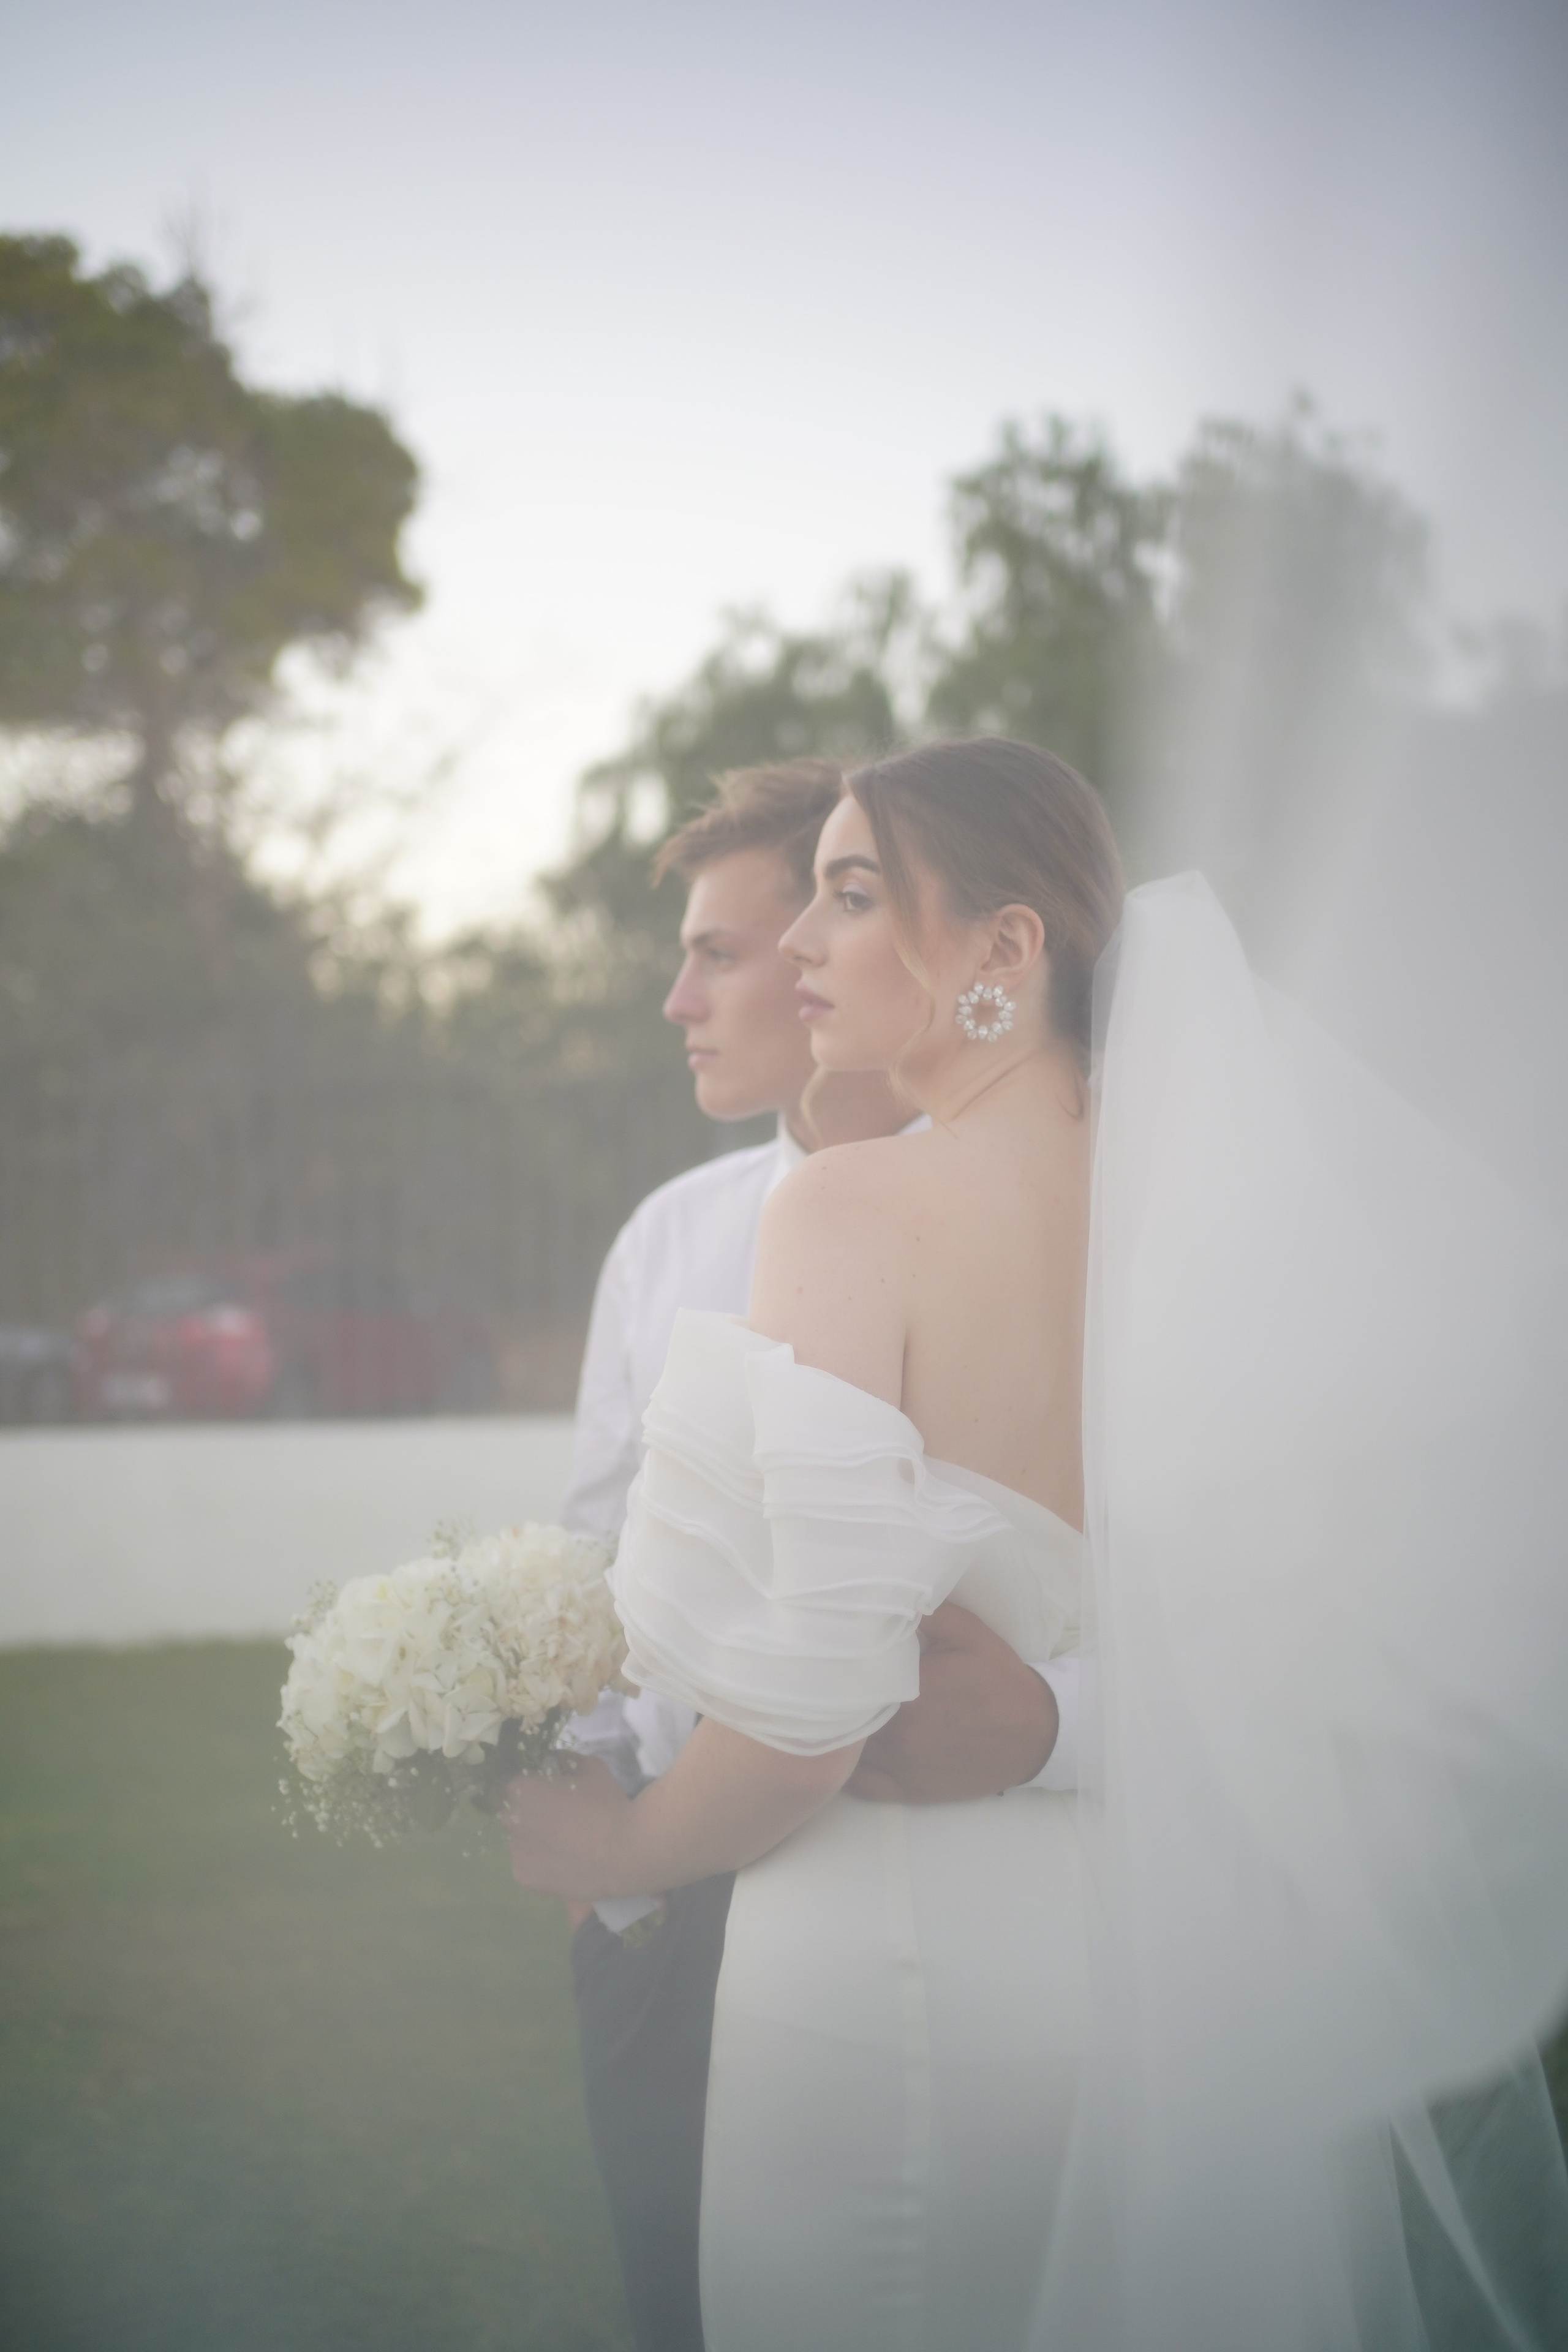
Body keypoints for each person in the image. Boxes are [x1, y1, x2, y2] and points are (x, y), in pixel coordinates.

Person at [511, 739, 1568, 2350]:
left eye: (850, 897)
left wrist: (621, 1851)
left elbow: (812, 1714)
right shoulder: (1205, 1221)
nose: (800, 943)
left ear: (1004, 952)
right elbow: (1313, 1632)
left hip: (882, 1973)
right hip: (1139, 1976)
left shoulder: (852, 1210)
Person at [557, 758, 1075, 2352]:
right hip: (691, 1903)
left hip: (883, 1904)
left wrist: (1060, 1717)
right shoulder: (670, 1237)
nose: (715, 988)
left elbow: (809, 1714)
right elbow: (590, 1555)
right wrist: (596, 1832)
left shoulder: (868, 1218)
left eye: (758, 936)